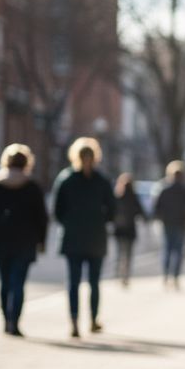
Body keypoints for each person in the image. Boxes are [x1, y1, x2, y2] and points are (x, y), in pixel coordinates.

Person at [0, 143, 48, 337]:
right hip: (25, 242)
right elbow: (42, 217)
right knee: (18, 283)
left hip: (0, 241)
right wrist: (42, 241)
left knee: (5, 282)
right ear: (27, 162)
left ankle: (5, 319)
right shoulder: (32, 185)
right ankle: (14, 321)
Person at [52, 137, 115, 338]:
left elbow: (57, 211)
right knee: (93, 282)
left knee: (74, 282)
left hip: (73, 238)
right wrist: (100, 220)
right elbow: (112, 210)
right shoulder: (102, 180)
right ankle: (93, 320)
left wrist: (70, 223)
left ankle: (74, 322)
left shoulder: (66, 179)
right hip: (95, 238)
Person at [152, 161, 185, 290]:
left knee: (168, 250)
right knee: (177, 251)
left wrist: (160, 217)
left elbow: (156, 208)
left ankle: (167, 275)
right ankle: (175, 276)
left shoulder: (165, 190)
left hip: (169, 223)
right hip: (180, 224)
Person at [112, 173, 146, 288]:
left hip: (119, 230)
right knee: (128, 254)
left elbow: (111, 213)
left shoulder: (117, 196)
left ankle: (120, 272)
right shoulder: (133, 197)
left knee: (121, 252)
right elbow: (140, 211)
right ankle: (125, 274)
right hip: (129, 230)